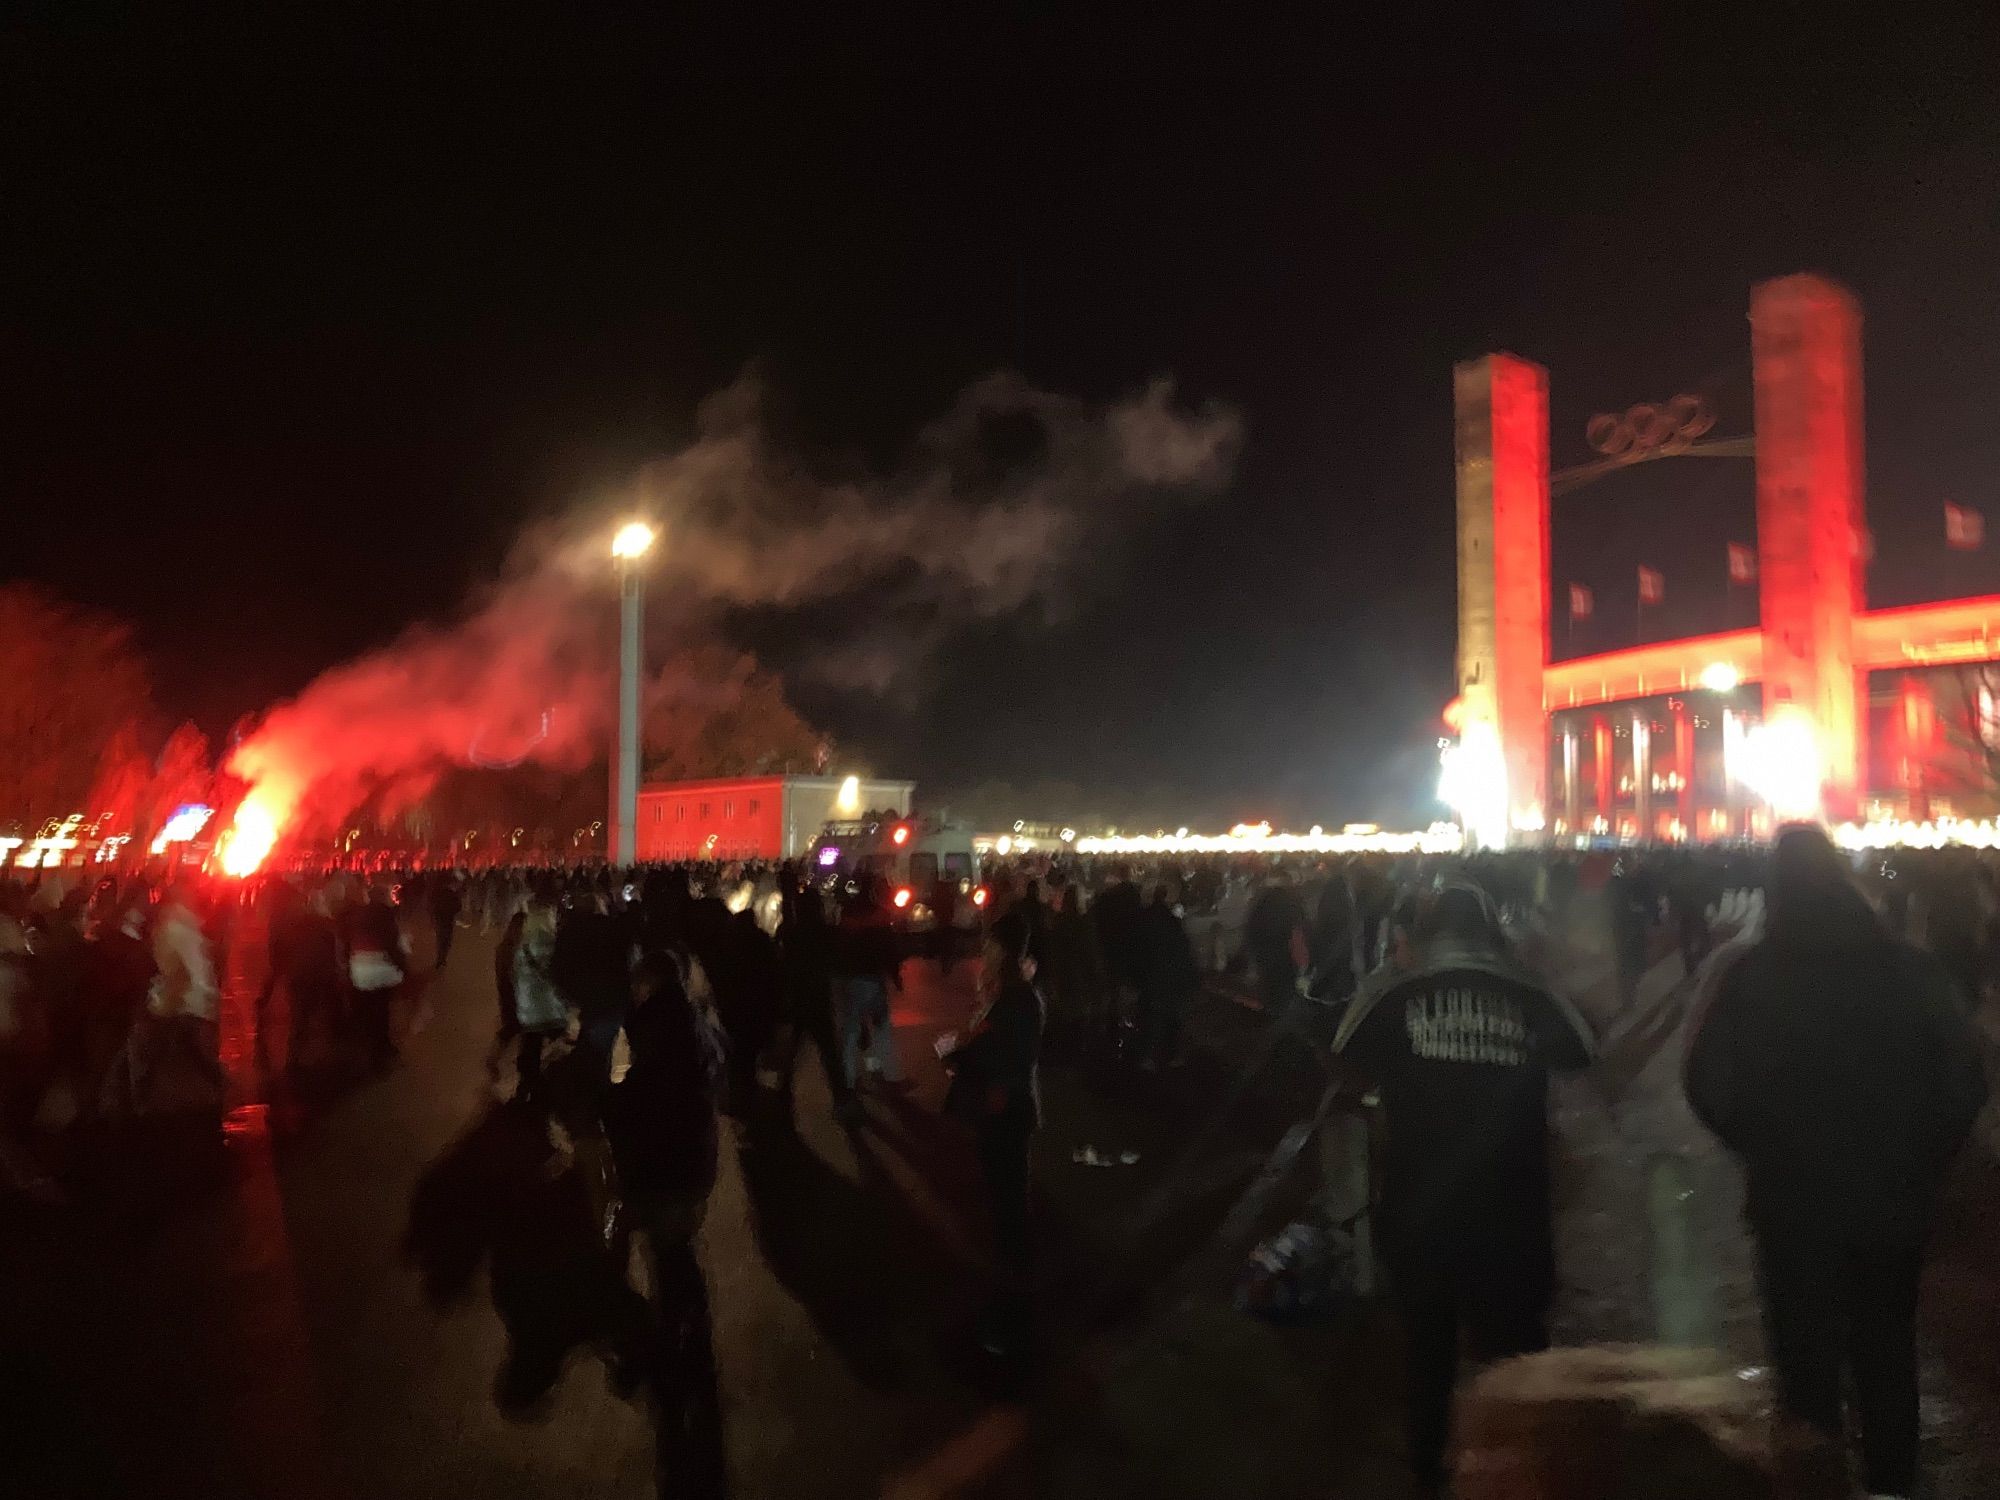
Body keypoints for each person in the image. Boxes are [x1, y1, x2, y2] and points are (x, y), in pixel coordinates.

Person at [1686, 825, 1989, 1500]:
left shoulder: (1752, 975)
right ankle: (1890, 1486)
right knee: (1886, 1356)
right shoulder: (1910, 969)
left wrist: (1756, 1142)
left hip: (1791, 1203)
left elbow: (1704, 1078)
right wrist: (1922, 1157)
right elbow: (1965, 1076)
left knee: (1804, 1371)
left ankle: (1813, 1484)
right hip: (1891, 1200)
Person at [1331, 879, 1593, 1497]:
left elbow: (1343, 1052)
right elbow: (1582, 1049)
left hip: (1422, 1210)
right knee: (1516, 1356)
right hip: (1513, 1211)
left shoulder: (1399, 988)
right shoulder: (1524, 990)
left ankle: (1430, 1471)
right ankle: (1518, 1470)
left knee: (1428, 1351)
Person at [943, 931, 1045, 1359]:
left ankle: (1014, 1311)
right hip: (1001, 1108)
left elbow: (1003, 1054)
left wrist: (959, 1055)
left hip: (1005, 1109)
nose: (982, 957)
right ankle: (1013, 1286)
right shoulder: (1010, 997)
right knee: (1004, 1195)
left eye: (989, 951)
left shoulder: (1018, 1002)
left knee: (1008, 1200)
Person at [1133, 878, 1197, 1071]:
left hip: (1151, 976)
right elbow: (1183, 950)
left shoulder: (1144, 919)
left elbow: (1138, 949)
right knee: (1170, 1017)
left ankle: (1148, 1056)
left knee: (1150, 1017)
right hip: (1169, 976)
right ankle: (1172, 1055)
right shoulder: (1172, 922)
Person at [508, 897, 568, 1102]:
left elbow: (514, 975)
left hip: (530, 1011)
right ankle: (554, 1088)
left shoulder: (522, 947)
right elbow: (560, 974)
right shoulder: (552, 944)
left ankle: (525, 1088)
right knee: (561, 1049)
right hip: (552, 1009)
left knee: (530, 1051)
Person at [428, 873, 464, 972]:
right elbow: (458, 907)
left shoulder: (438, 892)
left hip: (440, 919)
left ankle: (440, 958)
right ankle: (442, 959)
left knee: (440, 939)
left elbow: (433, 905)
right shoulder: (453, 894)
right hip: (448, 920)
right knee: (446, 940)